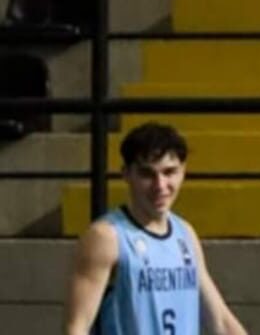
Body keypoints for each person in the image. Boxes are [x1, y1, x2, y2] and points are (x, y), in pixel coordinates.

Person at [63, 123, 247, 335]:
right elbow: (76, 327)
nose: (160, 185)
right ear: (126, 174)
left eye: (169, 172)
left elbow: (221, 321)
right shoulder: (106, 237)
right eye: (147, 174)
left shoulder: (185, 234)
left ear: (183, 171)